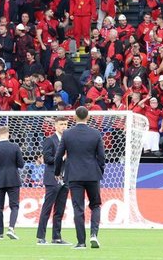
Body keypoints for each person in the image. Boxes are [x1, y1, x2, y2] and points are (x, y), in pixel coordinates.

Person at [55, 106, 106, 249]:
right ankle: (94, 235)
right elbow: (101, 157)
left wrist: (57, 172)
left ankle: (81, 242)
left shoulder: (67, 134)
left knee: (78, 208)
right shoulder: (95, 134)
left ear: (75, 117)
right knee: (95, 205)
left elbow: (59, 155)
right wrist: (99, 170)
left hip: (74, 175)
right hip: (92, 174)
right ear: (88, 117)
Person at [0, 125, 25, 240]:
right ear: (8, 134)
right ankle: (11, 228)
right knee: (14, 206)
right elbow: (21, 164)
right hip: (13, 180)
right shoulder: (15, 147)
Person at [37, 116, 70, 245]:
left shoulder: (69, 141)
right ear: (55, 126)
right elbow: (48, 159)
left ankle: (56, 237)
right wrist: (63, 157)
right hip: (52, 178)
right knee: (47, 207)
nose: (64, 126)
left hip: (66, 178)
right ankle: (41, 237)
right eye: (61, 124)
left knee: (60, 209)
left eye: (66, 124)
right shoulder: (50, 140)